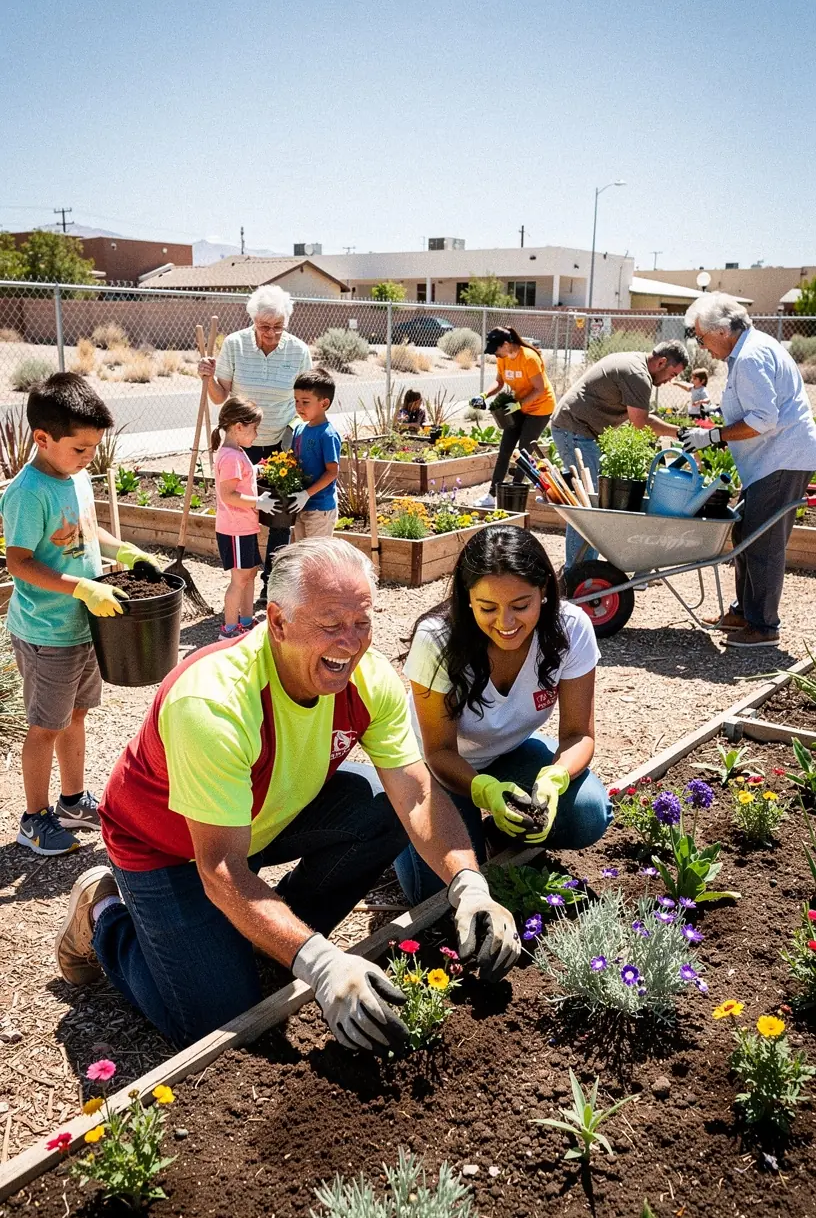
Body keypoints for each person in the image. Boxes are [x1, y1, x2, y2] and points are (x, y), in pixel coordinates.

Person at [54, 539, 520, 1052]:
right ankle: (103, 914)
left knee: (382, 807)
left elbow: (416, 796)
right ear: (277, 621)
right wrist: (322, 965)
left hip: (260, 817)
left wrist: (469, 884)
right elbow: (220, 867)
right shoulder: (214, 702)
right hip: (166, 846)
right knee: (216, 1021)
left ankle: (269, 937)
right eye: (331, 624)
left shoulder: (369, 679)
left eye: (362, 622)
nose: (350, 643)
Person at [394, 525, 611, 905]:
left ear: (544, 590)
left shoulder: (571, 627)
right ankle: (396, 817)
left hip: (506, 754)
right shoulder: (437, 639)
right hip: (431, 767)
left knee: (588, 813)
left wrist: (556, 777)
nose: (506, 623)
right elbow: (439, 751)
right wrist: (484, 790)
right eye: (488, 608)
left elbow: (579, 734)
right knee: (437, 892)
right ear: (467, 598)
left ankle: (496, 831)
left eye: (521, 606)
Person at [0, 374, 161, 856]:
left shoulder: (77, 476)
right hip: (47, 631)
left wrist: (124, 550)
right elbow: (19, 562)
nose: (90, 456)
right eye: (80, 448)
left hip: (84, 624)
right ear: (42, 438)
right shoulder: (29, 492)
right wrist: (81, 587)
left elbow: (87, 532)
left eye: (94, 447)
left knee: (76, 714)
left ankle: (72, 802)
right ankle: (33, 819)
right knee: (45, 726)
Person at [679, 293, 816, 650]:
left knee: (763, 541)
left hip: (781, 458)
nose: (702, 347)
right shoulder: (750, 351)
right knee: (746, 533)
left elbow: (763, 419)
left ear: (722, 331)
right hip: (771, 460)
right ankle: (745, 612)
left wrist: (713, 436)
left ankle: (764, 625)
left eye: (701, 337)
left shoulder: (752, 357)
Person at [198, 285, 312, 601]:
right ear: (253, 321)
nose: (271, 333)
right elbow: (219, 396)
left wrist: (307, 433)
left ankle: (271, 583)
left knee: (280, 517)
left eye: (278, 326)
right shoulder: (235, 345)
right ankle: (244, 577)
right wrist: (208, 378)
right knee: (245, 512)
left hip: (280, 444)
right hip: (241, 445)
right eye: (265, 326)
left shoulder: (298, 351)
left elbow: (306, 397)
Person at [549, 340, 690, 570]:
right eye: (672, 374)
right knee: (588, 507)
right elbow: (640, 424)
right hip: (575, 430)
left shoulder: (635, 362)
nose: (670, 381)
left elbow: (641, 419)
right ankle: (577, 572)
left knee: (594, 503)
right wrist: (680, 433)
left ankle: (584, 568)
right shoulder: (638, 375)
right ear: (662, 362)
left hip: (581, 431)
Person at [211, 395, 279, 640]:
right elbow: (228, 495)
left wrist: (255, 470)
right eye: (254, 429)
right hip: (235, 529)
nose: (256, 435)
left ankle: (247, 622)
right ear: (239, 427)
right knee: (239, 579)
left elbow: (240, 478)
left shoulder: (236, 452)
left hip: (245, 527)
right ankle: (229, 630)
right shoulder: (231, 457)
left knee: (249, 574)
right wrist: (258, 502)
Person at [474, 327, 556, 509]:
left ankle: (514, 495)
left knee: (523, 453)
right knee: (505, 450)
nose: (495, 353)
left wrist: (519, 405)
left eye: (496, 349)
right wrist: (484, 395)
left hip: (540, 407)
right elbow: (499, 382)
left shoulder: (529, 358)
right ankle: (491, 495)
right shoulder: (502, 358)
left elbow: (540, 389)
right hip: (518, 405)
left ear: (506, 344)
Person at [290, 368, 342, 541]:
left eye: (305, 402)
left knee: (317, 553)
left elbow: (332, 472)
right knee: (301, 551)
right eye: (296, 401)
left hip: (320, 508)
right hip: (301, 505)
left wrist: (307, 494)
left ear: (324, 403)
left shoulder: (328, 434)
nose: (299, 407)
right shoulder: (299, 429)